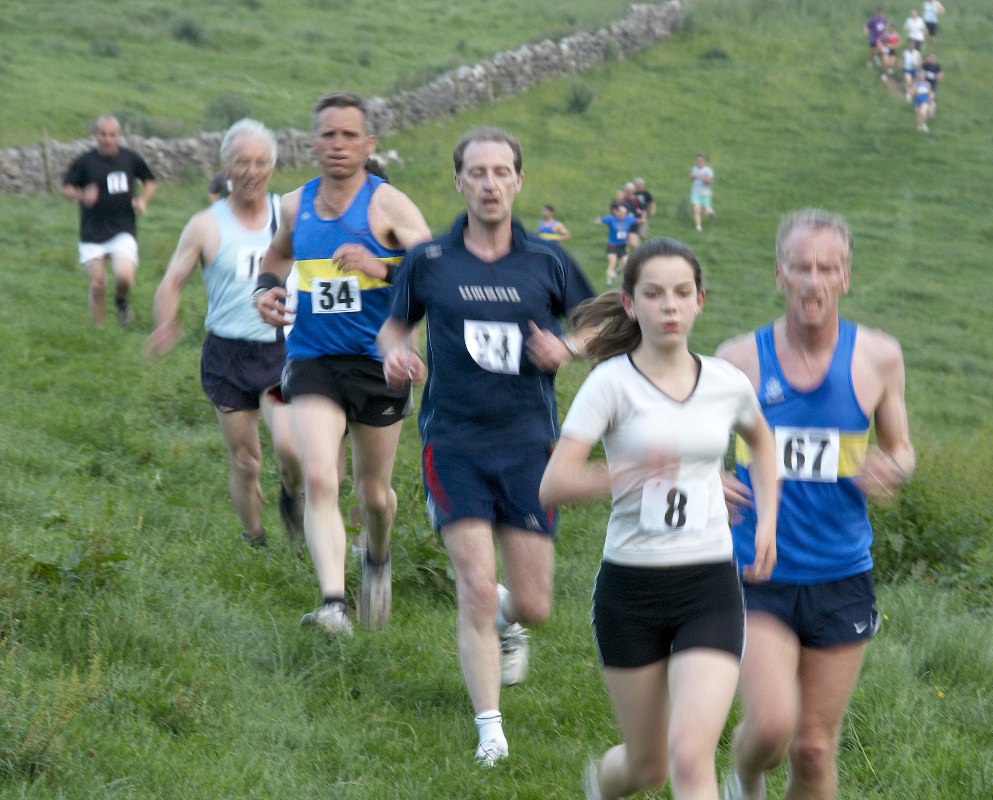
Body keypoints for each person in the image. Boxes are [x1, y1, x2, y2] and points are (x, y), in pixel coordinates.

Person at [378, 126, 596, 766]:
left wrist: (568, 347)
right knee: (474, 587)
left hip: (528, 447)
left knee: (534, 604)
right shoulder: (430, 260)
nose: (490, 184)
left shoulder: (549, 262)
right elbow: (394, 326)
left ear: (519, 181)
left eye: (502, 172)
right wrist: (396, 355)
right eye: (477, 172)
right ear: (459, 182)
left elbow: (603, 320)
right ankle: (490, 733)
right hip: (453, 442)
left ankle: (509, 620)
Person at [539, 238, 779, 800]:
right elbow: (554, 485)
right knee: (647, 768)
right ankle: (603, 788)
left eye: (681, 292)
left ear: (699, 301)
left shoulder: (725, 382)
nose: (669, 305)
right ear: (630, 304)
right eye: (653, 294)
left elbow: (762, 442)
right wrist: (625, 472)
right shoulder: (610, 384)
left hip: (709, 586)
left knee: (691, 757)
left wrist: (767, 522)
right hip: (631, 591)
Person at [717, 209, 915, 800]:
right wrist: (709, 479)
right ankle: (745, 775)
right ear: (779, 274)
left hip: (841, 573)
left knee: (814, 748)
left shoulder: (879, 357)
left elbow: (902, 447)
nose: (814, 281)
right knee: (772, 728)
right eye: (801, 267)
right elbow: (693, 445)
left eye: (827, 269)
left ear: (846, 277)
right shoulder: (738, 360)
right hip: (759, 569)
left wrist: (895, 469)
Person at [252, 92, 432, 636]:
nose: (338, 144)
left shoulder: (390, 205)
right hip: (313, 358)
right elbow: (277, 254)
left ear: (368, 143)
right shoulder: (294, 205)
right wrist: (266, 291)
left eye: (349, 135)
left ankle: (376, 555)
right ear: (313, 142)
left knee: (373, 495)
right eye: (328, 134)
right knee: (319, 476)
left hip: (379, 364)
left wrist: (379, 267)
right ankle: (333, 605)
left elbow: (436, 273)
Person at [147, 119, 304, 550]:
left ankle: (293, 495)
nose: (251, 172)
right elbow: (172, 282)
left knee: (291, 450)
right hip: (228, 354)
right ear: (226, 167)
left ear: (272, 167)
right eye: (241, 162)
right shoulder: (205, 225)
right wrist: (165, 323)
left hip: (281, 352)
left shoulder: (289, 215)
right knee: (247, 461)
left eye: (260, 162)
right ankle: (256, 542)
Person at [60, 115, 158, 327]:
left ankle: (121, 300)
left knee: (125, 277)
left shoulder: (130, 158)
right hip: (92, 233)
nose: (107, 139)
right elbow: (66, 188)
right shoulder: (85, 161)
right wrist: (82, 195)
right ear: (96, 136)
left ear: (118, 136)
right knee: (98, 286)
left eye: (112, 135)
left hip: (123, 229)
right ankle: (100, 333)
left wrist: (142, 200)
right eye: (103, 135)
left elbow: (150, 181)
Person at [596, 203, 637, 286]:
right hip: (613, 246)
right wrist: (598, 221)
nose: (624, 214)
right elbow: (600, 220)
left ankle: (625, 281)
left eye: (625, 213)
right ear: (617, 213)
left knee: (626, 263)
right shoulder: (611, 219)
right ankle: (610, 280)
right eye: (622, 212)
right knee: (612, 263)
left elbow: (637, 221)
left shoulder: (629, 219)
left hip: (623, 246)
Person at [689, 154, 715, 232]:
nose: (698, 162)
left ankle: (710, 211)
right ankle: (698, 227)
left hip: (706, 194)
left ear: (704, 161)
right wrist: (693, 177)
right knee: (697, 210)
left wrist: (702, 178)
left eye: (700, 161)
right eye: (697, 161)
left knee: (706, 213)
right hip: (696, 193)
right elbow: (691, 178)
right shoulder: (694, 168)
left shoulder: (708, 170)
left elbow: (711, 182)